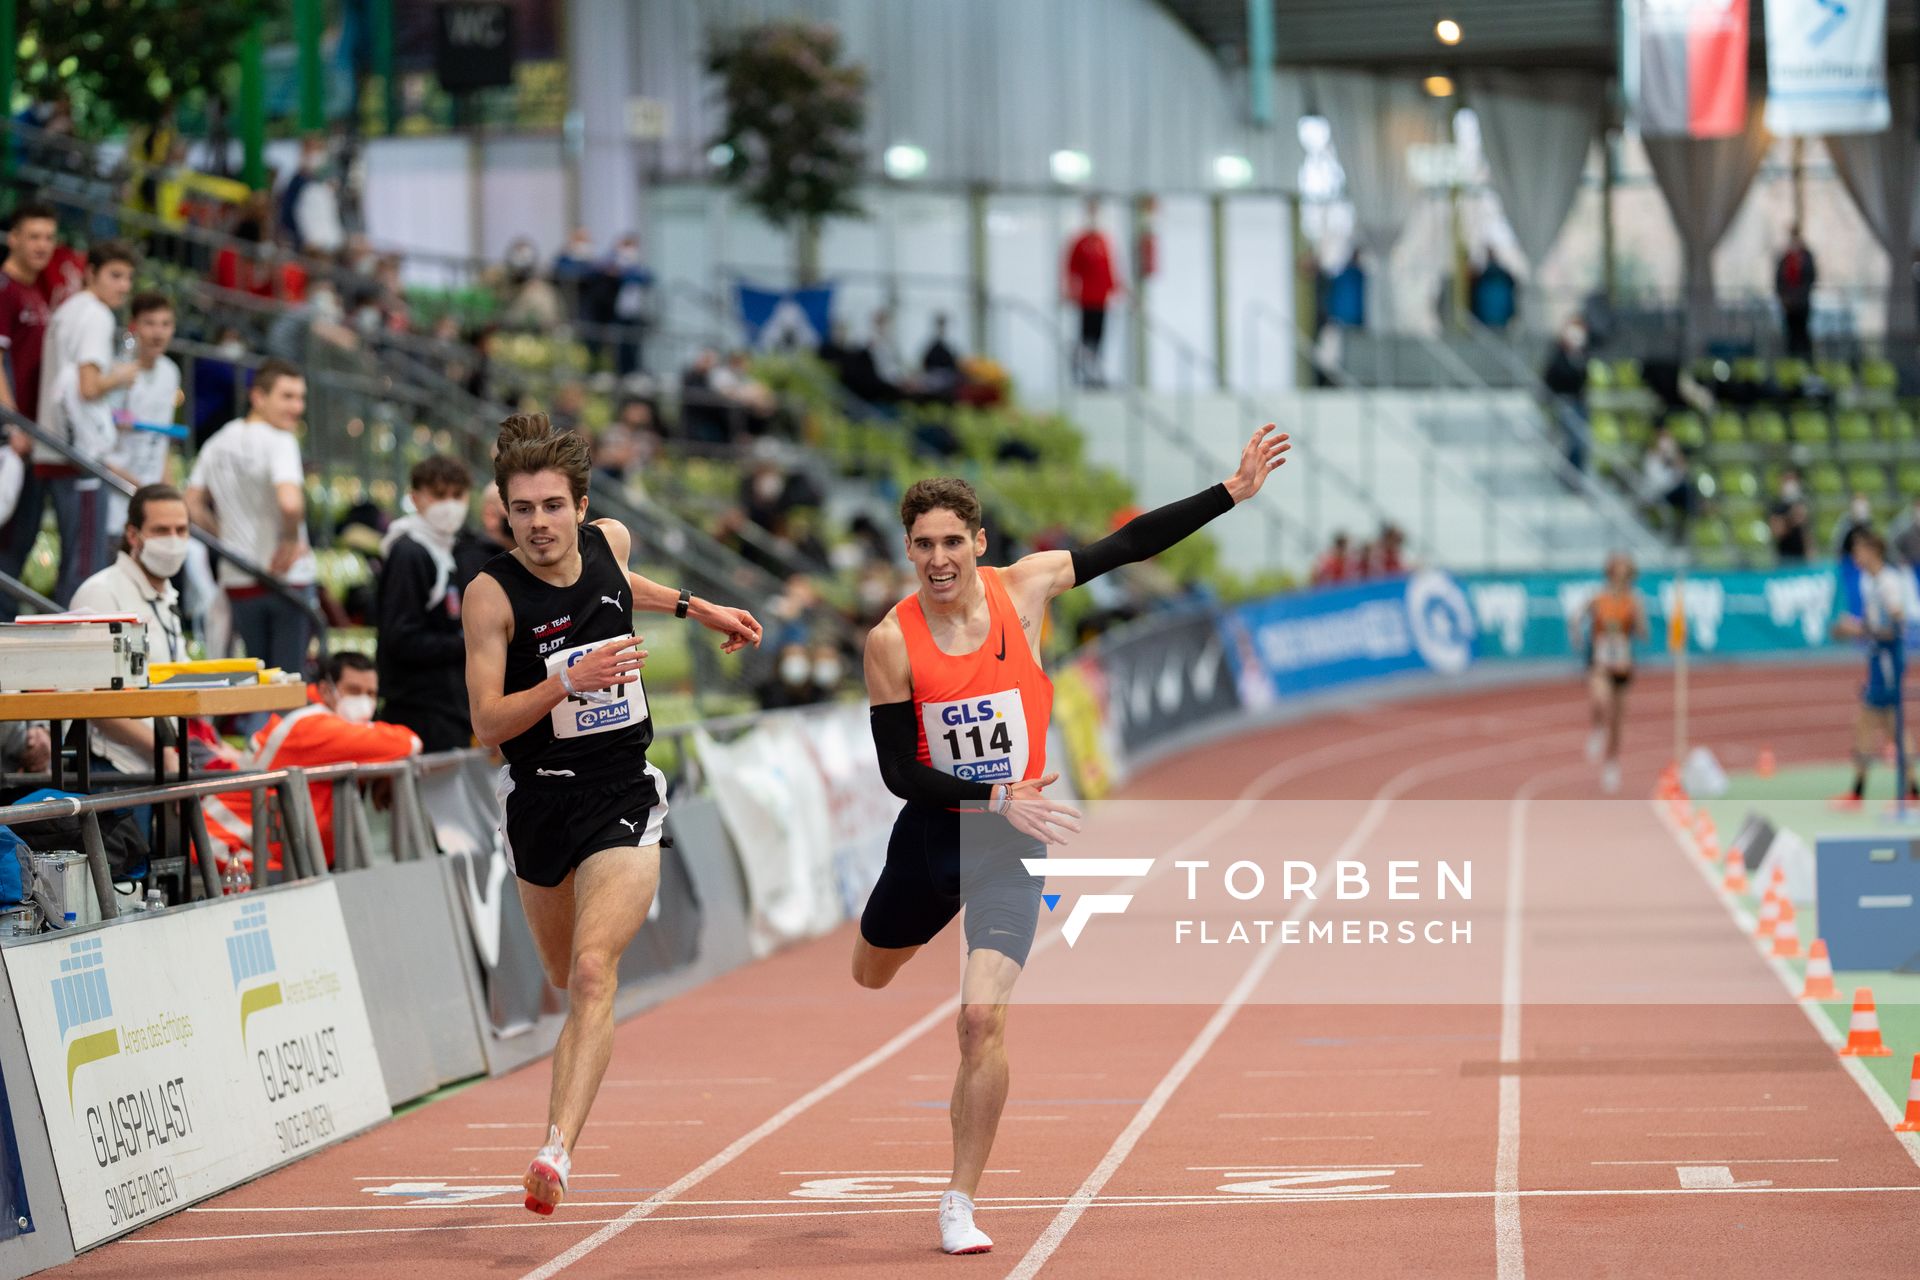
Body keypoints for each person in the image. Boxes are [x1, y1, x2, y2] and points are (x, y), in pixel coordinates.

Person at [852, 423, 1290, 1255]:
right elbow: (900, 776)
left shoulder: (1026, 588)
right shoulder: (889, 642)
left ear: (978, 543)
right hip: (933, 836)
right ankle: (903, 934)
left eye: (952, 541)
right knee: (871, 973)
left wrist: (1228, 494)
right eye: (922, 546)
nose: (938, 558)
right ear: (907, 551)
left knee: (980, 1022)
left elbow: (1129, 543)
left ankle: (959, 1201)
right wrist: (992, 791)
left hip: (1014, 841)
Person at [460, 412, 762, 1216]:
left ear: (582, 508)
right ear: (505, 512)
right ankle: (566, 1105)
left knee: (595, 972)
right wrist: (570, 678)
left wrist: (700, 609)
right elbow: (485, 724)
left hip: (624, 788)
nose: (538, 525)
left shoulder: (612, 542)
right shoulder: (490, 596)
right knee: (564, 975)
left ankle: (554, 1150)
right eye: (521, 510)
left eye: (552, 507)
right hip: (538, 798)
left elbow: (625, 587)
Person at [209, 652, 423, 870]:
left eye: (371, 694)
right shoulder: (313, 724)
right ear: (325, 690)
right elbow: (408, 742)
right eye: (353, 690)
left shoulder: (324, 720)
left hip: (261, 850)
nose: (364, 701)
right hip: (229, 846)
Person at [185, 358, 317, 687]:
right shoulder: (280, 441)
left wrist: (223, 536)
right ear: (258, 396)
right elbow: (289, 502)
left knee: (258, 686)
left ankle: (256, 736)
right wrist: (288, 540)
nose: (297, 407)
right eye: (287, 396)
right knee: (286, 688)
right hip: (287, 579)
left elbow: (190, 504)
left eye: (300, 397)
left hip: (238, 581)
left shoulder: (217, 442)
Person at [37, 239, 140, 603]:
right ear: (91, 273)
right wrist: (124, 374)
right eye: (115, 276)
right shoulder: (96, 315)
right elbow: (88, 385)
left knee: (75, 563)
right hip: (77, 458)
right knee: (85, 569)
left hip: (59, 450)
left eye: (128, 278)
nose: (124, 286)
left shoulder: (69, 309)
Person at [68, 484, 192, 777]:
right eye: (161, 530)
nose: (173, 541)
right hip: (113, 770)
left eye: (181, 530)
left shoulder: (167, 598)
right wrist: (161, 751)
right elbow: (93, 699)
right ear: (133, 535)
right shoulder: (100, 594)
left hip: (162, 762)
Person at [376, 456, 478, 753]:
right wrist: (466, 644)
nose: (449, 505)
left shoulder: (451, 548)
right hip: (419, 707)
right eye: (438, 495)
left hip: (448, 705)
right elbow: (401, 637)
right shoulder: (410, 553)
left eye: (457, 496)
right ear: (415, 498)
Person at [1830, 532, 1918, 809]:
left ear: (1872, 550)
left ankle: (1860, 792)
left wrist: (1857, 628)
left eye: (1859, 550)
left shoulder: (1888, 582)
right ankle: (1910, 790)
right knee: (1891, 727)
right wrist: (1854, 627)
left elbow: (1896, 623)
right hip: (1879, 660)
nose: (1855, 557)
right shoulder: (1872, 582)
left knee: (1871, 724)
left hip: (1888, 661)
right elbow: (1874, 623)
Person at [0, 202, 58, 620]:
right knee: (9, 542)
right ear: (13, 237)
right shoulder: (4, 289)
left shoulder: (37, 292)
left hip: (32, 436)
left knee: (22, 541)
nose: (42, 245)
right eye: (33, 236)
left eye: (48, 238)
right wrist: (12, 422)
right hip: (12, 440)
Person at [101, 292, 182, 535]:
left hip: (150, 501)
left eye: (165, 324)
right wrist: (136, 485)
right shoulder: (115, 371)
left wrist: (165, 489)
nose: (158, 333)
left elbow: (162, 439)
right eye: (150, 323)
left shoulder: (170, 372)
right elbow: (97, 444)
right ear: (134, 326)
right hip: (113, 496)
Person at [1571, 553, 1648, 795]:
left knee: (1617, 720)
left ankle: (1611, 764)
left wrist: (1637, 621)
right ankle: (1597, 727)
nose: (1620, 574)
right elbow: (1576, 616)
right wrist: (1576, 634)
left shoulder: (1634, 600)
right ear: (1610, 571)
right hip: (1600, 661)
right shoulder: (1598, 597)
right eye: (1617, 569)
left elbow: (1644, 634)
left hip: (1622, 663)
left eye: (1625, 570)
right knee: (1600, 700)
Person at [1062, 198, 1122, 387]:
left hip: (1101, 298)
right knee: (1086, 335)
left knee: (1099, 336)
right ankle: (1083, 370)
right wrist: (1070, 290)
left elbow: (1110, 269)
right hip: (1086, 298)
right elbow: (1071, 269)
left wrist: (1118, 289)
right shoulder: (1080, 242)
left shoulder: (1104, 241)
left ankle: (1095, 371)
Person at [1775, 225, 1817, 360]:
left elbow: (1810, 278)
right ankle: (1793, 364)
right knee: (1791, 337)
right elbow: (1778, 281)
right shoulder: (1784, 258)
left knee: (1803, 334)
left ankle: (1807, 364)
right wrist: (1784, 298)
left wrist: (1799, 296)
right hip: (1788, 304)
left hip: (1802, 303)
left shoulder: (1806, 257)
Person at [1768, 469, 1811, 563]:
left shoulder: (1801, 505)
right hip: (1785, 557)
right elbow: (1777, 532)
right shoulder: (1777, 507)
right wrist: (1791, 517)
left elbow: (1805, 533)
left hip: (1801, 557)